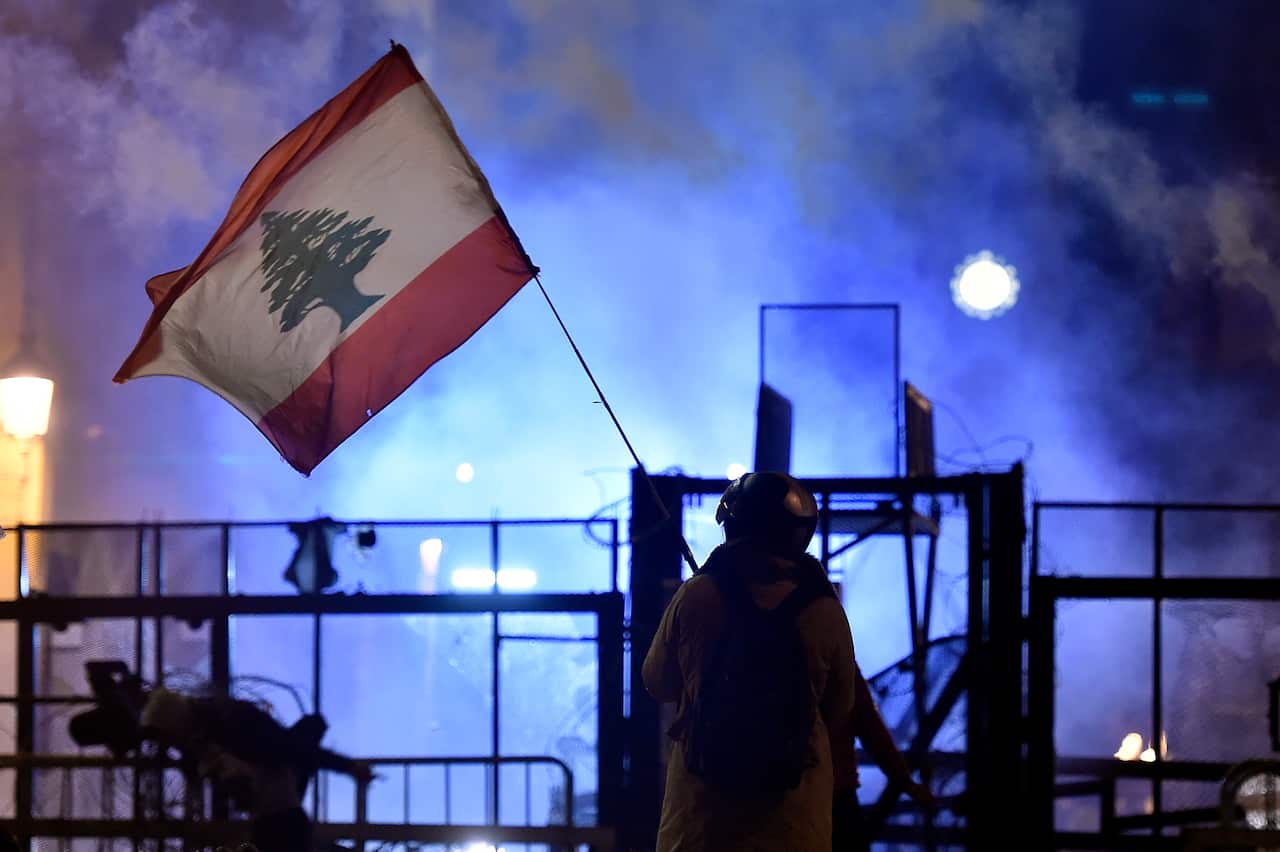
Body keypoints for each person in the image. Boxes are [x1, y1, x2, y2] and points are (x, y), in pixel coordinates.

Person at [643, 471, 857, 851]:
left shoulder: (698, 595)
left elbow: (657, 681)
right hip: (795, 828)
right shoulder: (824, 610)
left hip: (701, 829)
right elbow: (840, 708)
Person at [141, 687, 374, 852]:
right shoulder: (212, 730)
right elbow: (296, 750)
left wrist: (348, 766)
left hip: (278, 818)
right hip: (276, 815)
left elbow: (294, 750)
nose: (170, 743)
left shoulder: (232, 726)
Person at [830, 668, 937, 851]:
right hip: (838, 793)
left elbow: (868, 723)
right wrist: (905, 781)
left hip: (789, 797)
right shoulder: (836, 652)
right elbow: (868, 723)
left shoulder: (772, 659)